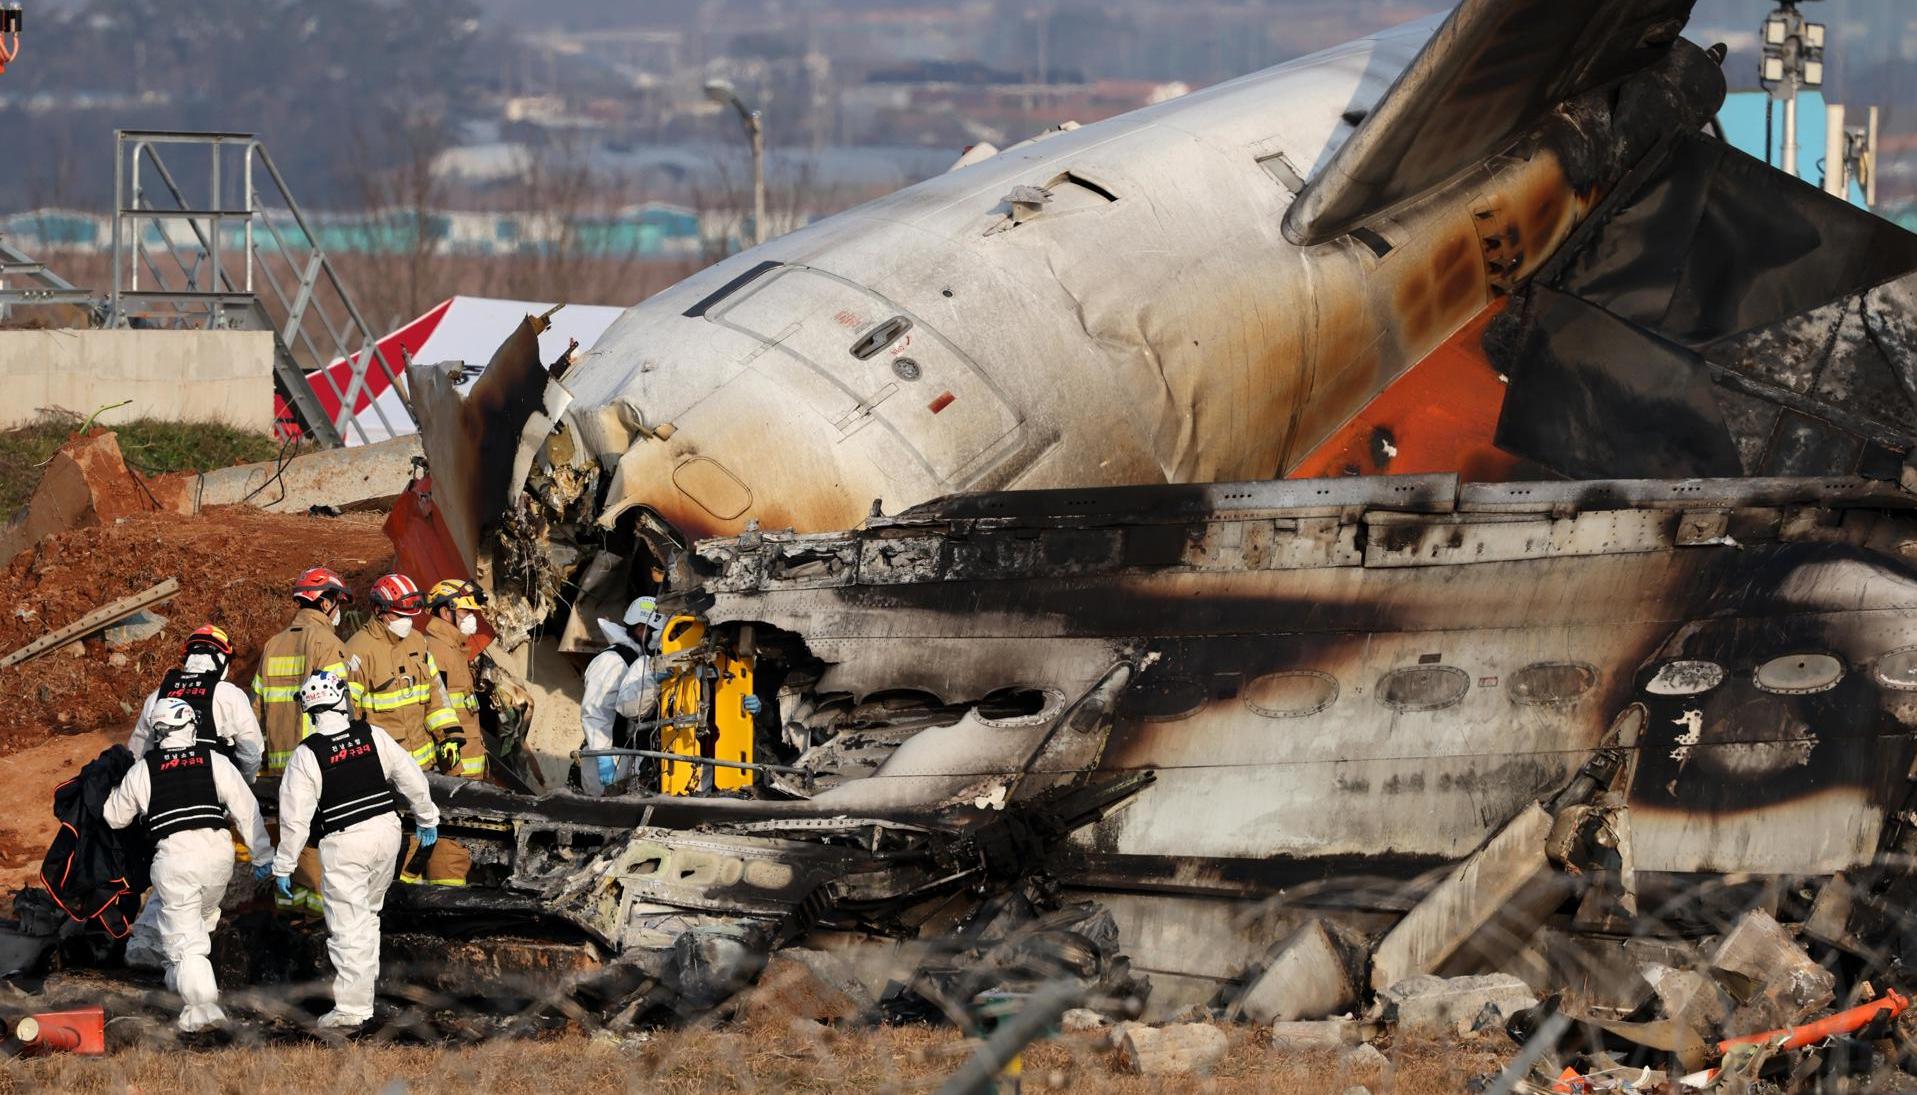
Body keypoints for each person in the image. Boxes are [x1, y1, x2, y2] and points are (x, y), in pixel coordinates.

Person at [270, 670, 439, 1030]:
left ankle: (352, 1010)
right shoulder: (371, 734)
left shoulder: (307, 755)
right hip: (387, 833)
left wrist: (284, 865)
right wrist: (427, 818)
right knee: (368, 916)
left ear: (308, 710)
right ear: (341, 700)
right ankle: (367, 990)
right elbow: (411, 776)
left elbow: (295, 820)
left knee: (348, 927)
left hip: (346, 842)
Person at [103, 698, 272, 1032]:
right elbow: (246, 808)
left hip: (176, 860)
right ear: (190, 726)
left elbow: (114, 816)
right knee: (198, 922)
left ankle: (202, 1011)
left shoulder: (144, 770)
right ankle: (179, 976)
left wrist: (112, 789)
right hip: (218, 859)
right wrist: (264, 856)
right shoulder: (214, 760)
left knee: (186, 942)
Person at [345, 573, 468, 885]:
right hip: (386, 774)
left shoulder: (416, 642)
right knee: (399, 846)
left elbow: (435, 695)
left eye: (411, 615)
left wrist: (449, 736)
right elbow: (350, 718)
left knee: (434, 835)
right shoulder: (357, 652)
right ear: (379, 611)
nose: (407, 622)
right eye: (400, 615)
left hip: (425, 766)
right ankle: (398, 904)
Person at [252, 567, 355, 777]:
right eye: (337, 604)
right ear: (326, 603)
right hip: (319, 763)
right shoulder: (328, 644)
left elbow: (255, 708)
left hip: (278, 767)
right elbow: (343, 706)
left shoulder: (273, 644)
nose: (338, 611)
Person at [129, 625, 264, 782]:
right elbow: (251, 752)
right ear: (223, 661)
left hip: (166, 791)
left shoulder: (158, 695)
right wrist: (242, 783)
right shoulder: (229, 695)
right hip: (213, 794)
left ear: (188, 657)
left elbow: (137, 753)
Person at [578, 595, 670, 795]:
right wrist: (603, 756)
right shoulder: (613, 661)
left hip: (628, 759)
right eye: (655, 633)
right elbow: (595, 712)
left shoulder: (640, 660)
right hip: (608, 761)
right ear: (640, 629)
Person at [421, 578, 487, 780]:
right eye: (466, 612)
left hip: (469, 763)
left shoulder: (453, 648)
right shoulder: (437, 652)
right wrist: (453, 767)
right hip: (458, 772)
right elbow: (436, 709)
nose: (471, 618)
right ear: (444, 612)